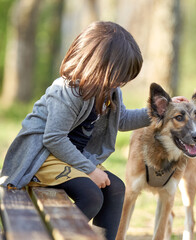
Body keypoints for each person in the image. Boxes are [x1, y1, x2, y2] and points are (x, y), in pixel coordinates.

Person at [0, 21, 186, 240]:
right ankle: (40, 235)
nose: (122, 82)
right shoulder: (67, 91)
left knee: (116, 189)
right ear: (100, 66)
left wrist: (165, 110)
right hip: (42, 156)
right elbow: (53, 138)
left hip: (69, 155)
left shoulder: (110, 91)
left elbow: (123, 120)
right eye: (120, 75)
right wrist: (89, 169)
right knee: (92, 195)